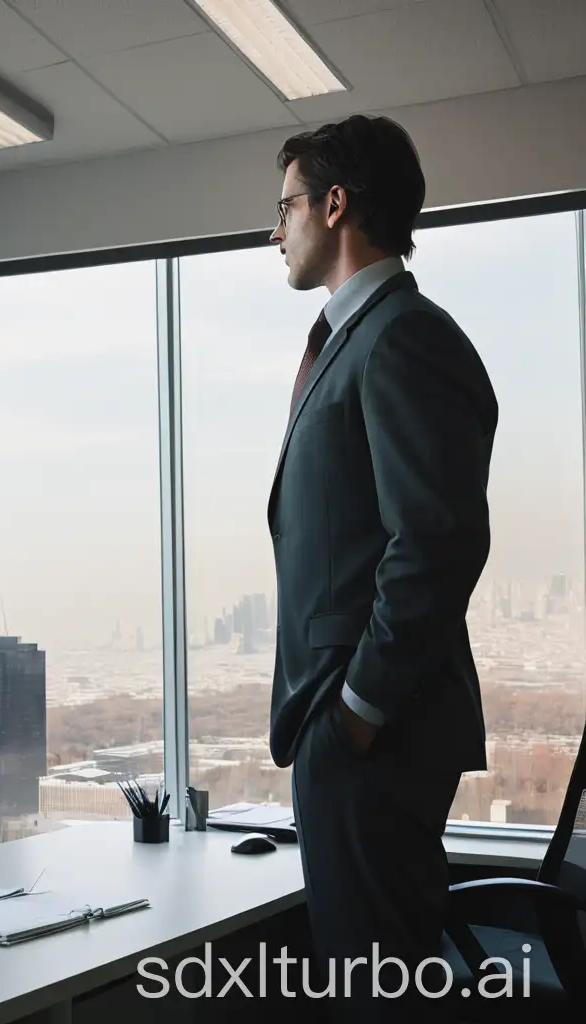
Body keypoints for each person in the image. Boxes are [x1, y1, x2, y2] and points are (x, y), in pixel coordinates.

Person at [267, 114, 497, 1021]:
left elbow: (436, 543)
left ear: (335, 204)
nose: (274, 230)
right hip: (354, 731)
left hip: (376, 730)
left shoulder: (403, 337)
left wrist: (356, 713)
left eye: (285, 205)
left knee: (376, 997)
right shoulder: (356, 340)